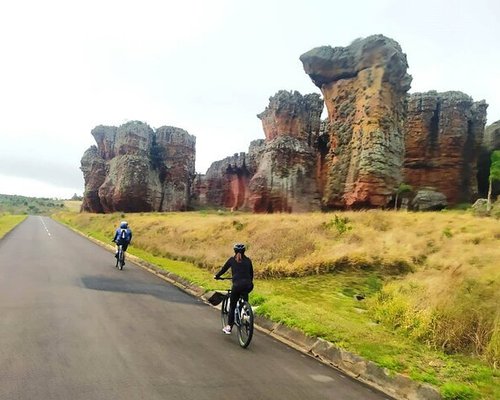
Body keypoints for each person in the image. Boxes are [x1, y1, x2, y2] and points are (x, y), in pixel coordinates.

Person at [214, 243, 254, 334]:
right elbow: (251, 274)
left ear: (234, 251)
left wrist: (217, 276)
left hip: (237, 285)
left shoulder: (232, 260)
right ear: (244, 251)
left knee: (232, 305)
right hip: (248, 285)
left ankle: (229, 327)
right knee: (244, 300)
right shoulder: (248, 260)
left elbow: (223, 270)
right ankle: (245, 314)